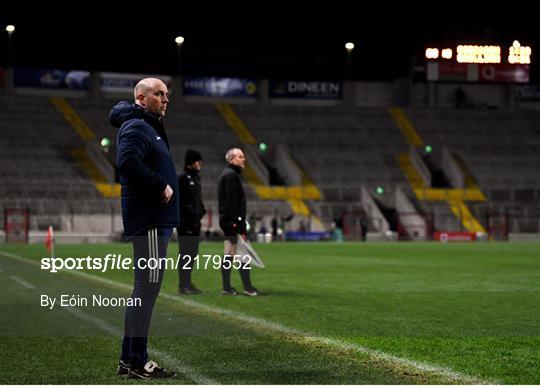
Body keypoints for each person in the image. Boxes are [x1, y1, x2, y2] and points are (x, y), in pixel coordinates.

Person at [109, 78, 178, 379]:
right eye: (159, 94)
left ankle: (129, 358)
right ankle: (137, 360)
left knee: (144, 291)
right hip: (150, 221)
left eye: (166, 94)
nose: (165, 99)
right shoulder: (138, 125)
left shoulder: (146, 125)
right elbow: (126, 162)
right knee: (146, 292)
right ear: (141, 97)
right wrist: (159, 183)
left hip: (153, 220)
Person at [218, 148, 259, 296]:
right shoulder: (230, 176)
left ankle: (227, 287)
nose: (243, 159)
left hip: (228, 221)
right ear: (231, 160)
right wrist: (238, 221)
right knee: (242, 254)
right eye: (240, 157)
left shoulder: (229, 174)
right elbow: (231, 201)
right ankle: (248, 288)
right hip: (232, 222)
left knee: (229, 253)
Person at [177, 149, 206, 294]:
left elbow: (196, 200)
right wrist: (187, 215)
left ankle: (188, 282)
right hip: (185, 222)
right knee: (185, 254)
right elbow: (179, 201)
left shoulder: (196, 178)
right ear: (190, 163)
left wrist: (201, 211)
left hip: (195, 222)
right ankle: (183, 284)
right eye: (197, 161)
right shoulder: (182, 178)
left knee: (192, 254)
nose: (200, 163)